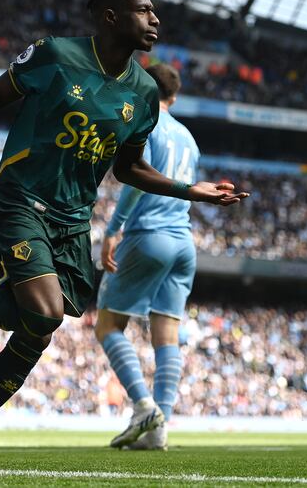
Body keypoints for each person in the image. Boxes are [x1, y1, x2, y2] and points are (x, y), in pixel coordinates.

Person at [0, 0, 249, 472]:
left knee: (35, 331)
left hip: (74, 221)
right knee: (45, 314)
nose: (156, 19)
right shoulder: (55, 55)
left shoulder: (142, 93)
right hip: (21, 199)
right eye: (145, 10)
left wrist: (189, 189)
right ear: (111, 16)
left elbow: (129, 168)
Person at [94, 63, 197, 451]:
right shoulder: (189, 138)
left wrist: (113, 229)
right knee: (166, 337)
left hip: (148, 235)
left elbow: (135, 181)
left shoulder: (146, 123)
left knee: (107, 325)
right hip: (183, 242)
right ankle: (160, 428)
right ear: (176, 95)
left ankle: (143, 406)